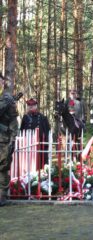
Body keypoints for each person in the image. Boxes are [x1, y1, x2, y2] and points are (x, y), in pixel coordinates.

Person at [0, 73, 19, 207]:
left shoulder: (7, 98)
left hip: (3, 139)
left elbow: (13, 121)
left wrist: (12, 139)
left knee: (2, 166)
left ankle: (2, 195)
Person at [20, 98, 50, 166]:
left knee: (41, 163)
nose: (31, 107)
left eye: (33, 105)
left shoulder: (43, 118)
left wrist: (46, 144)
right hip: (28, 144)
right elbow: (22, 130)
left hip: (40, 144)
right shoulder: (25, 117)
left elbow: (47, 131)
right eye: (29, 105)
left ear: (36, 106)